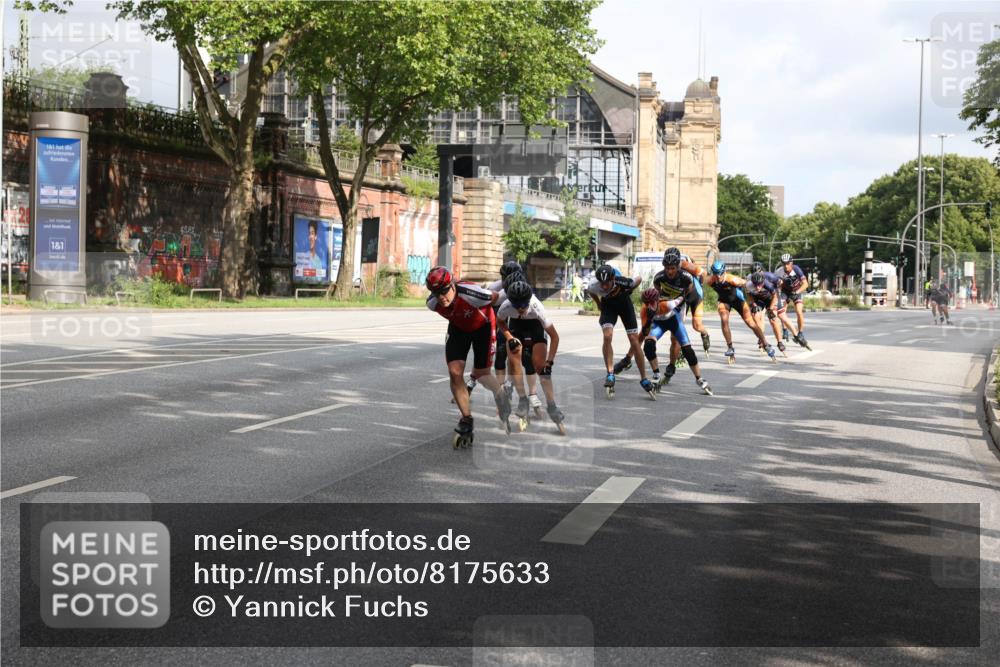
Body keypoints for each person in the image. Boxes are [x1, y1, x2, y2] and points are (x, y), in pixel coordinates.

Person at [425, 266, 512, 448]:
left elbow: (497, 298)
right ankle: (466, 419)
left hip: (484, 326)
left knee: (481, 374)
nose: (441, 297)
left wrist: (513, 287)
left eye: (444, 291)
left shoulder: (472, 294)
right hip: (459, 328)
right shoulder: (433, 303)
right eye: (436, 293)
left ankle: (502, 396)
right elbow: (441, 302)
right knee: (455, 372)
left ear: (452, 285)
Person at [496, 280, 565, 433]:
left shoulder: (536, 307)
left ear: (528, 300)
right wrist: (509, 337)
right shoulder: (506, 305)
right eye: (517, 305)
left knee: (542, 369)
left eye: (523, 305)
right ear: (511, 302)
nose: (520, 309)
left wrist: (550, 362)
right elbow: (500, 321)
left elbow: (555, 337)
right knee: (513, 357)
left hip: (535, 329)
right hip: (516, 328)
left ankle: (552, 405)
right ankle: (522, 400)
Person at [587, 264, 656, 399]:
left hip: (625, 306)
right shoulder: (594, 285)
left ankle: (644, 378)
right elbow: (591, 291)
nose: (604, 287)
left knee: (634, 341)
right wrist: (598, 303)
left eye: (607, 283)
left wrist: (631, 289)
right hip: (608, 307)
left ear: (613, 278)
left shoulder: (623, 282)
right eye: (602, 284)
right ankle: (610, 373)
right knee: (607, 336)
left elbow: (640, 278)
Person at [637, 287, 712, 394]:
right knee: (648, 346)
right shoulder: (645, 310)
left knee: (687, 351)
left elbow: (682, 298)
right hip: (658, 325)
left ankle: (699, 379)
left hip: (674, 321)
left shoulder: (667, 304)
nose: (649, 305)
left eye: (652, 302)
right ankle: (656, 374)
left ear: (658, 300)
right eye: (646, 303)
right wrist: (649, 319)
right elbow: (645, 333)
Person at [705, 260, 775, 363]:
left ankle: (765, 344)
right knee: (724, 320)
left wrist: (753, 302)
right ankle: (730, 347)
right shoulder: (710, 281)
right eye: (715, 274)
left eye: (720, 274)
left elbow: (749, 286)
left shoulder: (733, 280)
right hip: (724, 301)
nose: (718, 277)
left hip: (738, 301)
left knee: (751, 324)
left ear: (724, 272)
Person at [745, 271, 805, 355]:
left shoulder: (768, 282)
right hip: (759, 299)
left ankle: (780, 342)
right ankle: (762, 340)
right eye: (756, 285)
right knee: (755, 315)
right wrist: (753, 305)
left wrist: (771, 308)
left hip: (772, 297)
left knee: (773, 319)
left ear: (763, 281)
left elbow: (775, 295)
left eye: (760, 284)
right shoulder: (749, 285)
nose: (758, 287)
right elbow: (749, 296)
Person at [774, 253, 810, 348]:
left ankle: (800, 333)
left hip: (797, 290)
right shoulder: (778, 272)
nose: (786, 266)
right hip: (785, 292)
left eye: (787, 263)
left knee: (799, 311)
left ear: (791, 263)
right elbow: (776, 286)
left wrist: (797, 292)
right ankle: (785, 330)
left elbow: (805, 284)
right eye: (783, 264)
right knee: (782, 311)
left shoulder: (796, 269)